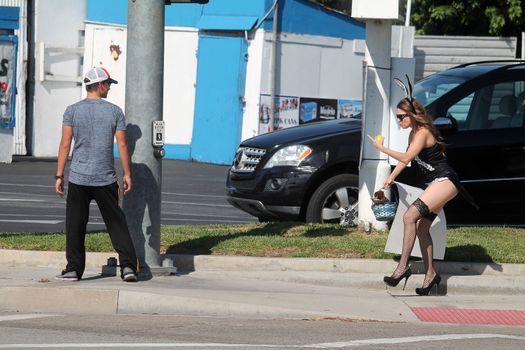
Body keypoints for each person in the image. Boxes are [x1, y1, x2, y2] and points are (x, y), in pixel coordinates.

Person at [368, 94, 476, 296]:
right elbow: (407, 159)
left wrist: (382, 149)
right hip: (437, 183)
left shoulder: (423, 132)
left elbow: (407, 156)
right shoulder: (413, 134)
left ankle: (402, 267)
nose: (399, 121)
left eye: (401, 117)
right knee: (421, 227)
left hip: (445, 181)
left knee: (409, 216)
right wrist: (391, 177)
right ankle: (431, 274)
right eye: (398, 117)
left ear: (412, 115)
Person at [55, 66, 138, 282]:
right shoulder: (115, 112)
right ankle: (128, 268)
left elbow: (65, 145)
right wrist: (126, 174)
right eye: (108, 84)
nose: (109, 88)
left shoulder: (72, 110)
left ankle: (73, 269)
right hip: (105, 179)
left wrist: (59, 176)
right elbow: (122, 144)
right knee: (116, 223)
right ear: (100, 85)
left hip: (78, 178)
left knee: (75, 224)